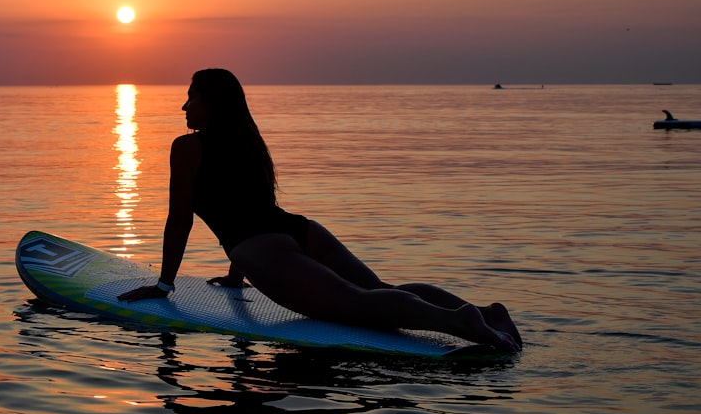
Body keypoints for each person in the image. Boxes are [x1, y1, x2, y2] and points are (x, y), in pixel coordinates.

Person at [116, 68, 522, 352]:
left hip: (260, 248)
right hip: (300, 231)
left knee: (356, 306)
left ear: (212, 103)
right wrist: (235, 276)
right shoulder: (248, 140)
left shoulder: (186, 147)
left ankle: (461, 322)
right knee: (381, 291)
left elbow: (182, 217)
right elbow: (250, 204)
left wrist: (164, 285)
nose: (184, 107)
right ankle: (486, 313)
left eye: (192, 98)